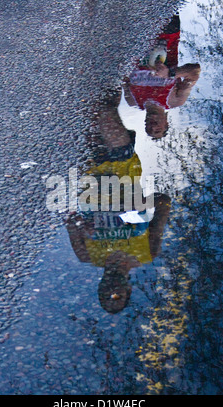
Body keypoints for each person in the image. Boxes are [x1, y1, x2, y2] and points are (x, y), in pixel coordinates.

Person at [66, 90, 171, 313]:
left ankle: (107, 72)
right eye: (117, 295)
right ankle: (111, 68)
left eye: (106, 294)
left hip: (87, 167)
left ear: (99, 287)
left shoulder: (86, 255)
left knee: (88, 107)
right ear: (129, 290)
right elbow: (164, 202)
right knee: (101, 111)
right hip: (122, 165)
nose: (112, 288)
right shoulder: (147, 253)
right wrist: (143, 204)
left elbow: (68, 218)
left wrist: (80, 226)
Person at [123, 14, 201, 139]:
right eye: (158, 129)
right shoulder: (175, 100)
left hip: (134, 34)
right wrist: (170, 73)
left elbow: (122, 74)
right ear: (166, 123)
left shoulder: (132, 101)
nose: (153, 126)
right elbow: (194, 71)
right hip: (166, 33)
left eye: (148, 129)